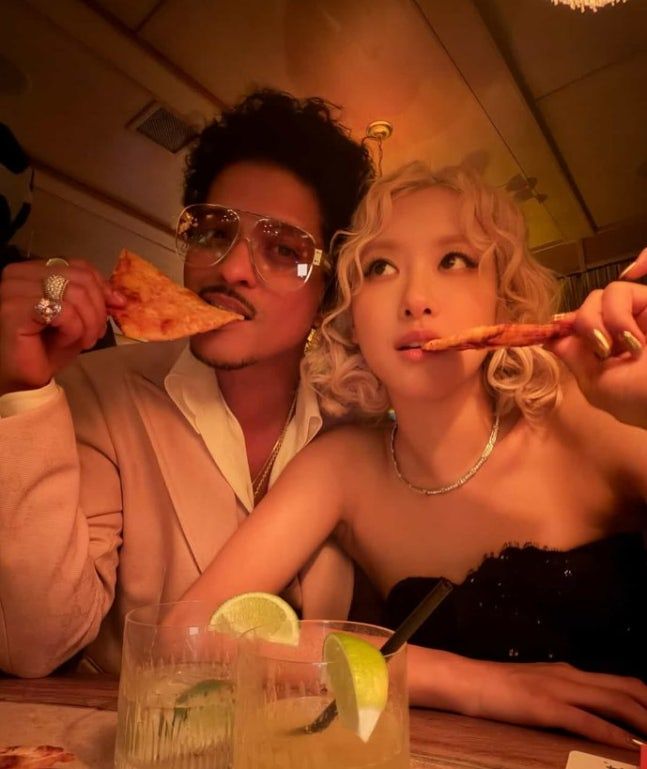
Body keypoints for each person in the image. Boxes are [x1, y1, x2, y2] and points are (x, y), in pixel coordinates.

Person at [180, 162, 647, 748]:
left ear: (502, 297)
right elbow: (187, 634)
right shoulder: (342, 467)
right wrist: (473, 683)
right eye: (380, 268)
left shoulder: (590, 417)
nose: (417, 300)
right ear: (351, 318)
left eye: (454, 260)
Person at [0, 89, 373, 677]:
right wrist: (22, 388)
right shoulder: (99, 392)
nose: (231, 268)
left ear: (329, 290)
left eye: (283, 249)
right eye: (213, 231)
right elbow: (37, 645)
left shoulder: (353, 425)